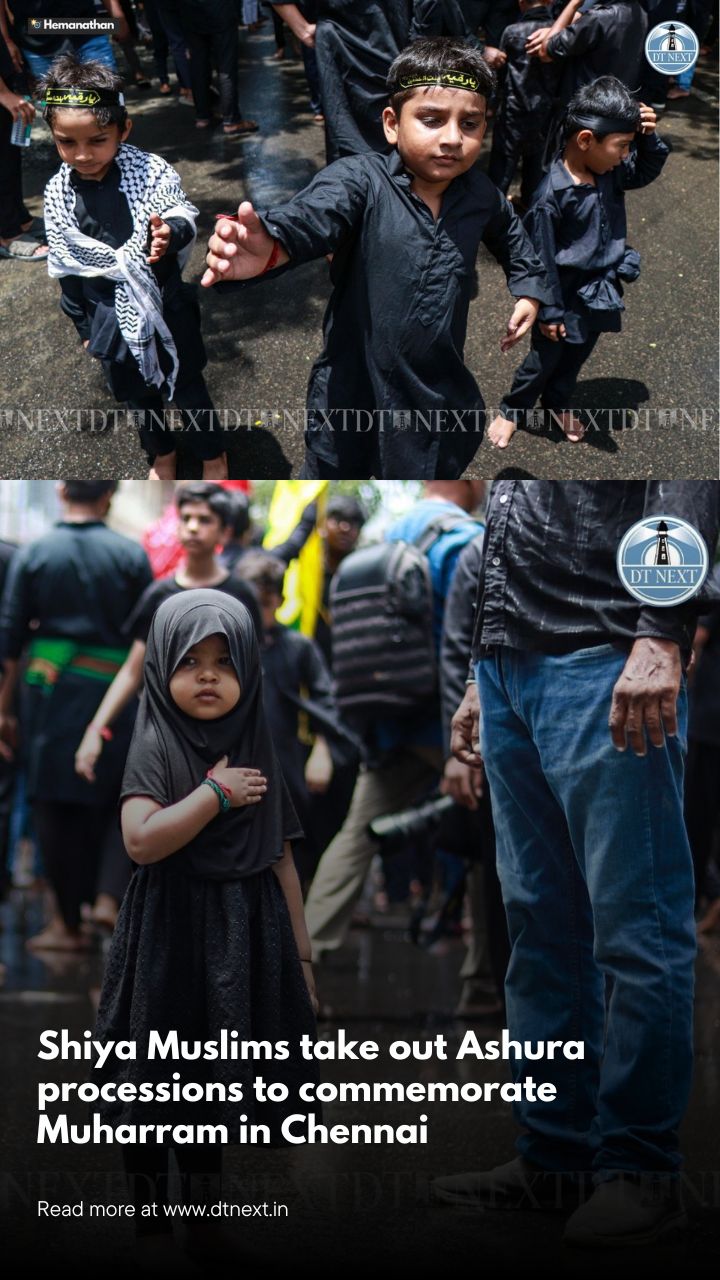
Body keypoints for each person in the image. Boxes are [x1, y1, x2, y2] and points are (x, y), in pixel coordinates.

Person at [433, 480, 720, 1247]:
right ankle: (555, 1155)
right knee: (538, 927)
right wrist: (479, 669)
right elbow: (507, 520)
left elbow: (687, 474)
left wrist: (661, 630)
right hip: (510, 667)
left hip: (604, 650)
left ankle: (642, 1172)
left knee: (637, 925)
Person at [203, 37, 550, 479]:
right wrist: (273, 243)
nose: (451, 139)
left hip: (432, 391)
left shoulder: (480, 194)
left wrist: (528, 287)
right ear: (391, 123)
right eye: (431, 119)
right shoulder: (360, 181)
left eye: (470, 124)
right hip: (351, 386)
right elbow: (314, 215)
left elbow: (510, 232)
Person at [92, 590, 317, 1265]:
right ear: (161, 666)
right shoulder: (154, 742)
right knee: (152, 1077)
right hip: (168, 931)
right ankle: (151, 1226)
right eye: (190, 662)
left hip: (241, 931)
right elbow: (141, 841)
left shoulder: (255, 743)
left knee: (209, 1079)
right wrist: (213, 795)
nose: (209, 676)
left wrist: (303, 963)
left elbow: (281, 857)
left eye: (224, 662)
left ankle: (204, 1219)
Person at [304, 480, 484, 960]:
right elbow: (464, 644)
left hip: (387, 723)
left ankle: (304, 961)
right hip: (452, 728)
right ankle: (483, 985)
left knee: (355, 838)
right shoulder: (466, 541)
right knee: (488, 843)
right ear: (470, 482)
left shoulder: (385, 538)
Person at [41, 55, 228, 480]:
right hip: (106, 314)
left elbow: (178, 213)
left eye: (97, 140)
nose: (83, 154)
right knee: (137, 397)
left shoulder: (149, 172)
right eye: (67, 142)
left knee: (188, 387)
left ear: (123, 130)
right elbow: (66, 268)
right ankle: (162, 452)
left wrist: (170, 234)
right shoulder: (57, 194)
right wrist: (84, 327)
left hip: (164, 304)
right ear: (53, 135)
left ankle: (212, 453)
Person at [0, 481, 153, 949]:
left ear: (62, 490)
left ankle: (67, 923)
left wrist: (4, 709)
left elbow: (10, 639)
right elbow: (146, 634)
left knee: (50, 798)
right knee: (112, 794)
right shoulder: (130, 555)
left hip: (48, 691)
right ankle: (106, 899)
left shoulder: (36, 553)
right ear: (110, 495)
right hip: (115, 692)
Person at [487, 77, 668, 447]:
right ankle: (513, 409)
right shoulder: (550, 197)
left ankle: (556, 403)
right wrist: (550, 312)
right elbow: (541, 260)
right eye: (622, 146)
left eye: (629, 146)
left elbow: (645, 170)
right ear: (586, 140)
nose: (625, 155)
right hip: (562, 292)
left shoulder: (610, 172)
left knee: (576, 357)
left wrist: (648, 140)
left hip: (599, 289)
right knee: (543, 360)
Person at [75, 482, 261, 784]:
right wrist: (96, 729)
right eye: (186, 518)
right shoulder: (159, 594)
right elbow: (132, 671)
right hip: (166, 738)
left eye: (204, 520)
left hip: (227, 739)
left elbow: (254, 672)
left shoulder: (241, 595)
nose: (193, 527)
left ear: (224, 532)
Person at [237, 550, 361, 885]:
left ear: (278, 601)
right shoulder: (224, 648)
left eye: (263, 603)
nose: (255, 612)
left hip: (286, 770)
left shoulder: (297, 647)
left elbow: (325, 701)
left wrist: (322, 750)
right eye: (248, 602)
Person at [487, 1, 562, 211]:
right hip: (545, 111)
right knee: (536, 166)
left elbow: (500, 73)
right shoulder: (558, 32)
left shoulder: (512, 32)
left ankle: (494, 212)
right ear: (550, 2)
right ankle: (531, 210)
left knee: (502, 167)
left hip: (513, 110)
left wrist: (492, 103)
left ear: (521, 4)